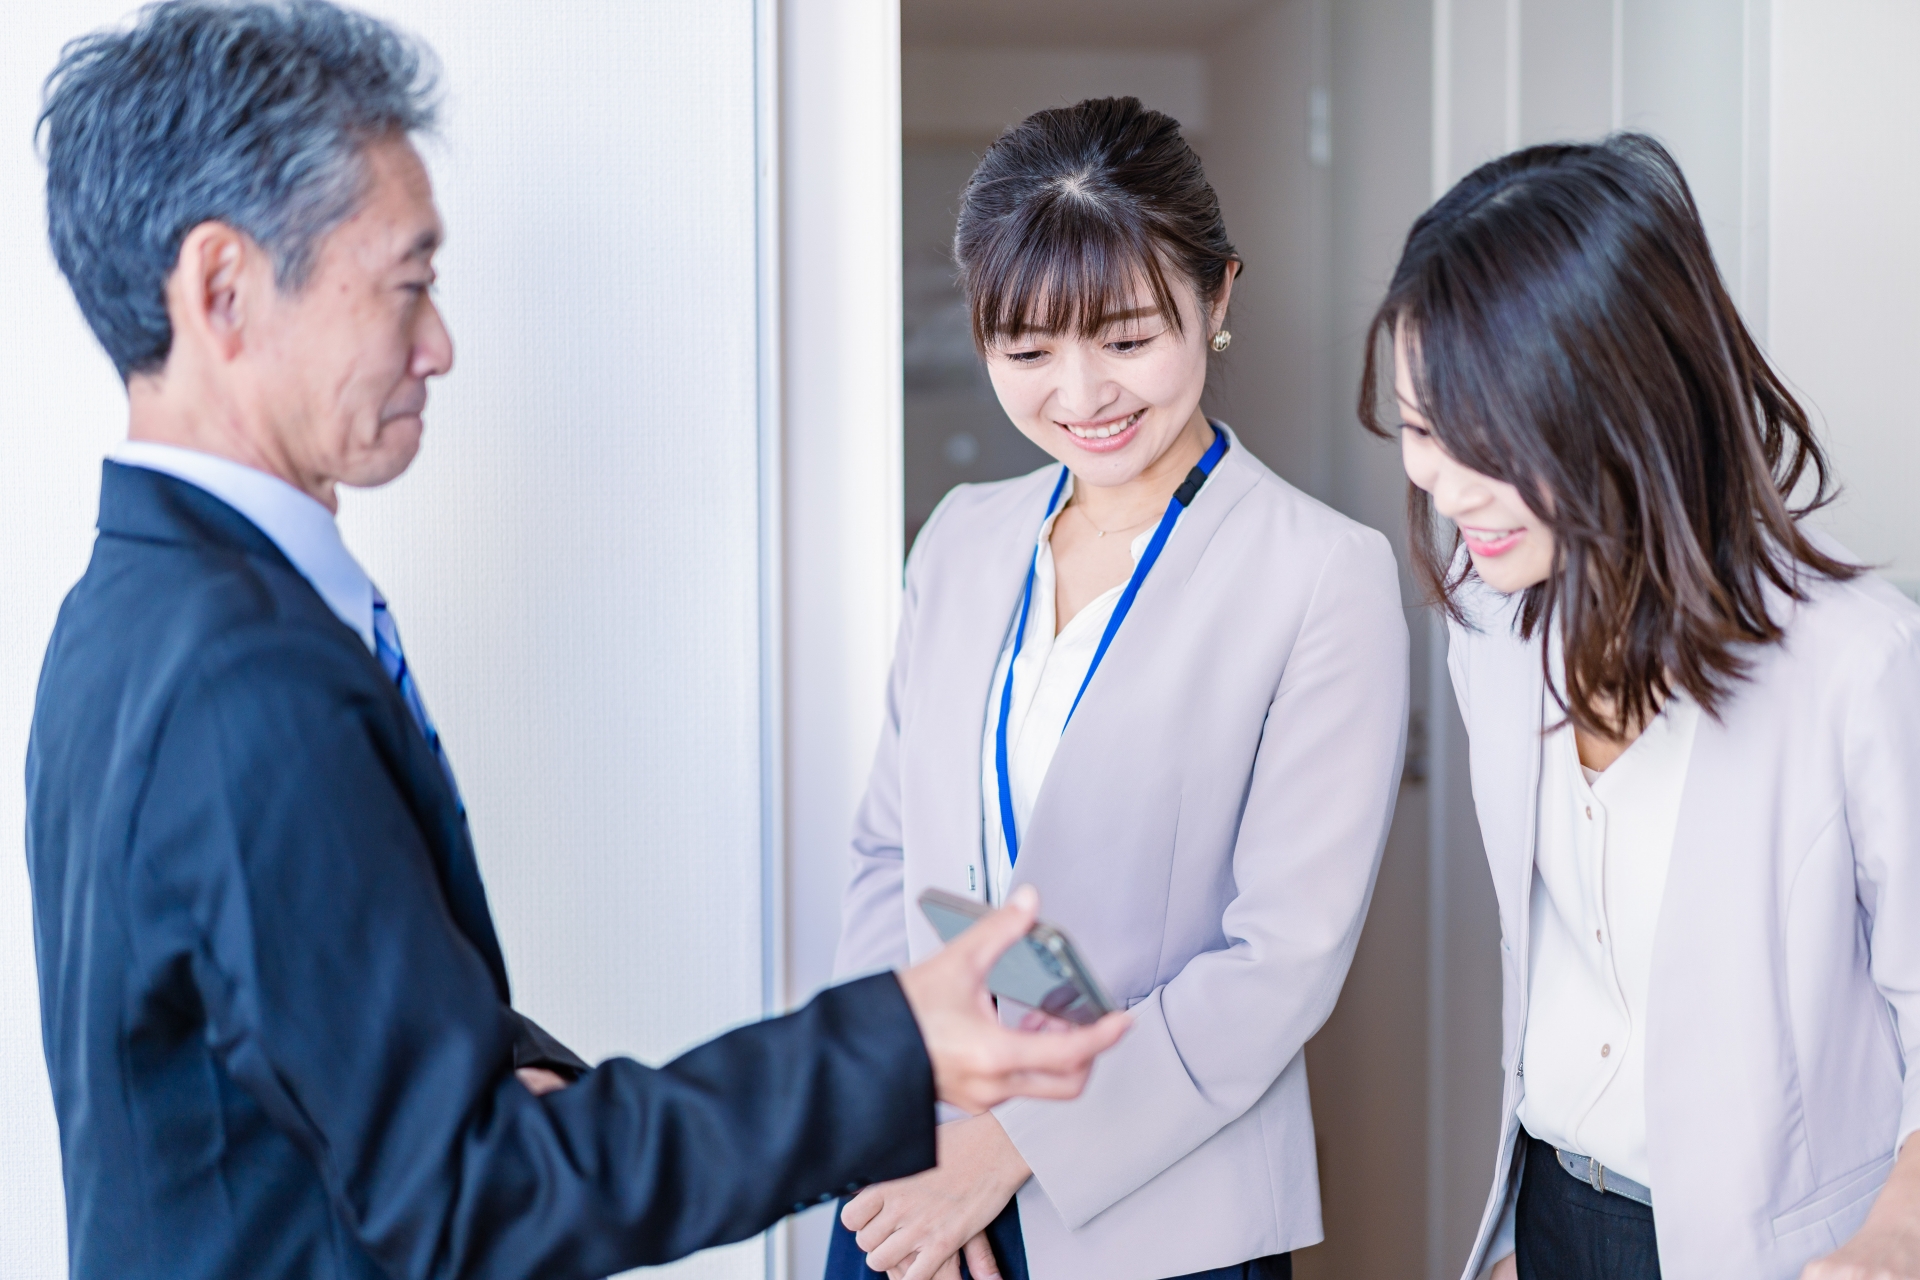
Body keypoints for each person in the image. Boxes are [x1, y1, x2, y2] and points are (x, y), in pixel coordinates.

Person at [24, 5, 1129, 1279]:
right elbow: (466, 1198)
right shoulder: (241, 675)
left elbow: (310, 1032)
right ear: (223, 288)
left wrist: (524, 1076)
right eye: (408, 284)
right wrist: (895, 1047)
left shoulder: (125, 609)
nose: (439, 345)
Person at [827, 97, 1410, 1280]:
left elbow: (1279, 956)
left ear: (1220, 297)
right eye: (1028, 352)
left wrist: (1008, 1148)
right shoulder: (961, 538)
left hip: (1160, 1215)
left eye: (1128, 337)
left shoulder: (1321, 575)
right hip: (915, 1184)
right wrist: (894, 1133)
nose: (1081, 395)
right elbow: (893, 858)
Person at [1363, 133, 1920, 1280]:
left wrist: (1895, 1235)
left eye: (1491, 443)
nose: (1449, 489)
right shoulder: (1489, 616)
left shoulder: (1856, 660)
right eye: (1422, 432)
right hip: (1557, 1211)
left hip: (1780, 1248)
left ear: (1629, 406)